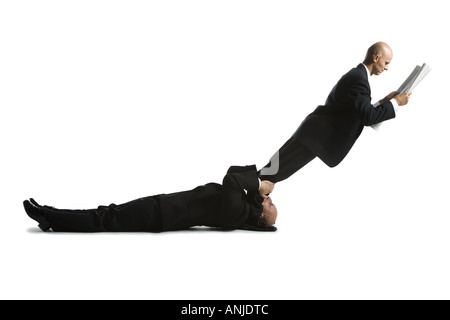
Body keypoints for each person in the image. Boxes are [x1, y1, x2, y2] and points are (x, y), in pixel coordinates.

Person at [259, 42, 412, 183]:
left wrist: (385, 101)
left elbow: (359, 112)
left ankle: (248, 198)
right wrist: (396, 103)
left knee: (272, 171)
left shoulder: (358, 76)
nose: (386, 68)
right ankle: (244, 197)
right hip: (314, 137)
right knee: (272, 174)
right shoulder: (359, 79)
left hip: (312, 135)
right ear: (376, 57)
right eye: (386, 63)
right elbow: (367, 117)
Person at [23, 165, 278, 232]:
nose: (268, 200)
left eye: (270, 205)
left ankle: (49, 216)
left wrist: (256, 184)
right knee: (106, 212)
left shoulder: (236, 214)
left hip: (161, 215)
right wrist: (259, 180)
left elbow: (232, 181)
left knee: (106, 217)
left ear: (260, 218)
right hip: (162, 207)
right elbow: (234, 171)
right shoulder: (243, 206)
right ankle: (50, 214)